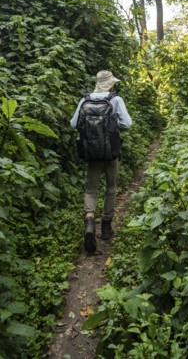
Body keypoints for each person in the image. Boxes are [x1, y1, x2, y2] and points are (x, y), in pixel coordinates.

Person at [70, 70, 132, 253]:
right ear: (110, 84)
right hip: (111, 151)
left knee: (91, 189)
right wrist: (112, 125)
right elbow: (127, 124)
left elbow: (74, 124)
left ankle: (89, 220)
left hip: (91, 152)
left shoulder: (85, 100)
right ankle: (106, 228)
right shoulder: (115, 100)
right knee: (110, 188)